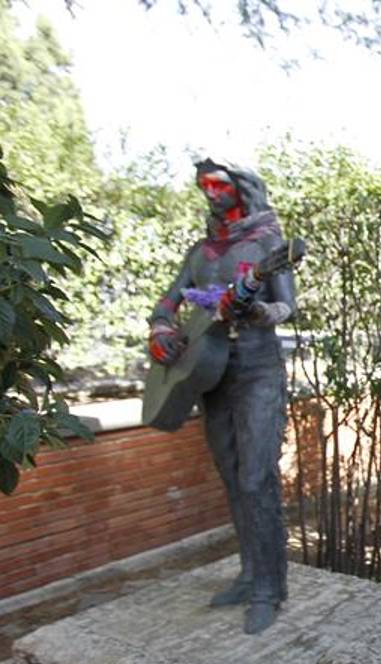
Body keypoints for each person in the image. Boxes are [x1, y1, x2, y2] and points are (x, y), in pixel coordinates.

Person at [147, 159, 295, 635]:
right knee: (232, 478)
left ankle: (271, 589)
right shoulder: (201, 252)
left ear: (242, 188)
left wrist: (255, 312)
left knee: (256, 479)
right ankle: (249, 574)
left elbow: (286, 306)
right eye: (203, 185)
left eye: (218, 184)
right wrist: (162, 329)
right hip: (210, 373)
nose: (209, 192)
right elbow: (168, 301)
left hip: (258, 370)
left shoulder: (268, 242)